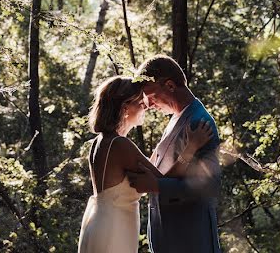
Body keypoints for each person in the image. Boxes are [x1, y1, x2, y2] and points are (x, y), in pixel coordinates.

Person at [78, 76, 212, 253]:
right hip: (114, 229)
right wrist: (191, 147)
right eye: (140, 102)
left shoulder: (101, 142)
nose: (145, 106)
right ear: (125, 107)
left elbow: (140, 167)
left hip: (100, 223)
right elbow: (162, 181)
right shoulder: (120, 145)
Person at [126, 55, 223, 253]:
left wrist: (156, 185)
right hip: (169, 238)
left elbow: (209, 186)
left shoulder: (199, 122)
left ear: (170, 85)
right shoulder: (176, 118)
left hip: (190, 239)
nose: (149, 105)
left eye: (151, 96)